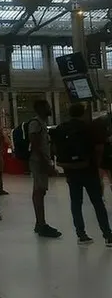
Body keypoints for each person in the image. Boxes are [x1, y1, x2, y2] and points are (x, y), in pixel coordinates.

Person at [55, 103, 112, 246]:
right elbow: (99, 148)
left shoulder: (61, 128)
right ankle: (107, 235)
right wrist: (96, 164)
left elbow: (55, 148)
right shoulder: (90, 127)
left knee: (76, 202)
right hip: (89, 169)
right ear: (84, 113)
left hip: (70, 171)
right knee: (97, 202)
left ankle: (81, 235)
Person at [28, 99, 62, 238]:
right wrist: (45, 164)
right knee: (39, 191)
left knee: (40, 191)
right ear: (41, 108)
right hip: (38, 162)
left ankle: (39, 223)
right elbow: (35, 144)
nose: (50, 108)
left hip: (40, 161)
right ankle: (41, 224)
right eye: (47, 106)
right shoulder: (36, 124)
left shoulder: (41, 124)